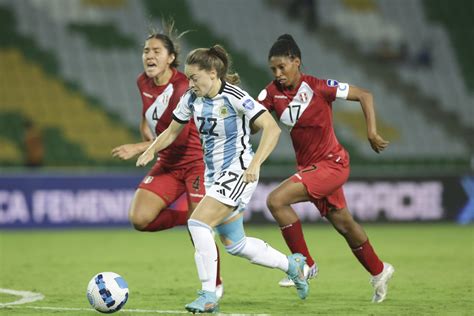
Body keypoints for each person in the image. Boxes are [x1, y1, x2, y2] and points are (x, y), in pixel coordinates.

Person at [137, 44, 309, 313]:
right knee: (235, 244)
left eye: (195, 78)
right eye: (189, 78)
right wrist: (150, 149)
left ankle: (208, 294)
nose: (190, 83)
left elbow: (272, 129)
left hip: (239, 171)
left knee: (197, 222)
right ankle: (293, 266)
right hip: (214, 176)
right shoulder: (192, 98)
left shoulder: (235, 96)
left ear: (213, 73)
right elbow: (171, 132)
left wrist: (254, 163)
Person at [258, 34, 395, 303]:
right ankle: (380, 271)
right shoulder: (271, 93)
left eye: (282, 67)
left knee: (276, 200)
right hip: (313, 169)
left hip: (332, 164)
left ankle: (305, 265)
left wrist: (371, 133)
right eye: (273, 69)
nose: (278, 73)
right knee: (344, 224)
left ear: (296, 62)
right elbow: (253, 123)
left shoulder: (320, 87)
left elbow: (364, 95)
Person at [111, 25, 223, 297]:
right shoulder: (143, 82)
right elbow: (149, 113)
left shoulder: (183, 86)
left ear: (171, 58)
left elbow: (180, 134)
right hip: (167, 163)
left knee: (201, 230)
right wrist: (145, 130)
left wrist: (142, 146)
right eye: (146, 50)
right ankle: (190, 216)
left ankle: (215, 286)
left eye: (156, 51)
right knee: (141, 218)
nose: (149, 55)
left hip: (194, 161)